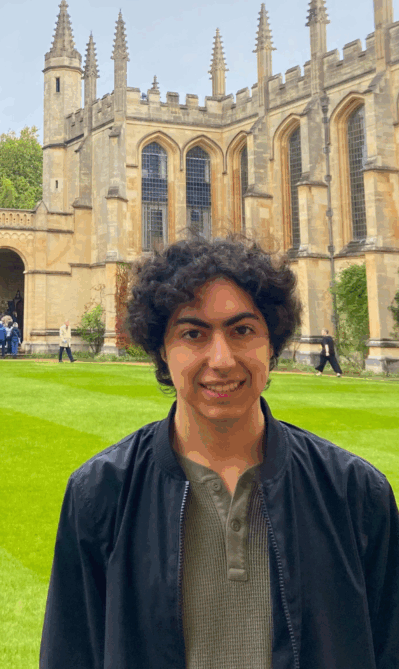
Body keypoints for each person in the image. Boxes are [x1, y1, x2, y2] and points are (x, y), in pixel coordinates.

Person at [40, 236, 399, 669]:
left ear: (272, 344)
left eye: (242, 330)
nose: (221, 359)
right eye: (193, 333)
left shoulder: (355, 493)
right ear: (162, 350)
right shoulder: (99, 495)